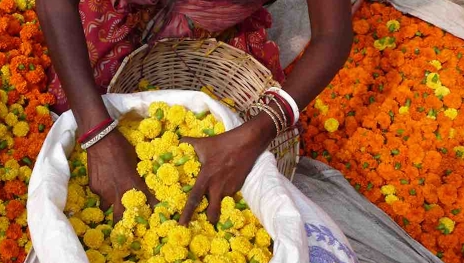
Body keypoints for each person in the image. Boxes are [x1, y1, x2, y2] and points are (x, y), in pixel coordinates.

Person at [36, 0, 353, 225]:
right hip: (111, 16)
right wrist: (98, 134)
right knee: (67, 116)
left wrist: (256, 131)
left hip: (208, 37)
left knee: (247, 162)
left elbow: (332, 36)